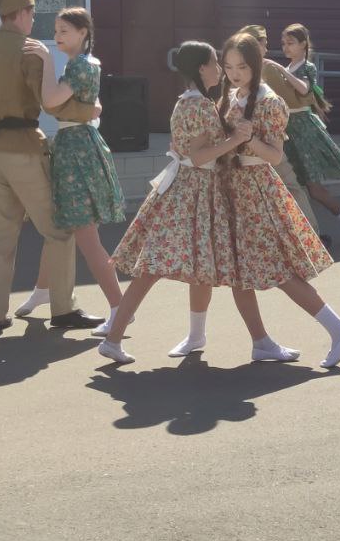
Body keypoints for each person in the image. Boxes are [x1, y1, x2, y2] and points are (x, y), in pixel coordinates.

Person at [98, 41, 298, 366]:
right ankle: (114, 338)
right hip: (193, 190)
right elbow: (199, 156)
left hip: (182, 188)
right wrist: (236, 139)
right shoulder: (202, 105)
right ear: (202, 68)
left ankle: (190, 336)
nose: (221, 70)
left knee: (195, 268)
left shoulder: (186, 101)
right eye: (216, 64)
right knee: (153, 268)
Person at [196, 34, 340, 369]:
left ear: (256, 65)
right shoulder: (230, 96)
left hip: (256, 192)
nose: (234, 73)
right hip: (232, 191)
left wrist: (246, 139)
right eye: (229, 66)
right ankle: (261, 343)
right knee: (237, 272)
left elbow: (274, 155)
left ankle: (338, 328)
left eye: (242, 67)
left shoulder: (269, 101)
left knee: (279, 269)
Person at [0, 0, 104, 334]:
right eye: (32, 13)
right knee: (59, 230)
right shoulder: (29, 50)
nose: (34, 21)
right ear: (24, 13)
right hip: (24, 149)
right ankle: (63, 309)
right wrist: (89, 110)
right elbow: (51, 103)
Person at [15, 8, 127, 334]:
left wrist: (46, 61)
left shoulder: (79, 65)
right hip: (75, 147)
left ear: (83, 32)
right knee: (61, 228)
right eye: (56, 30)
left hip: (78, 151)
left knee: (85, 237)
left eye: (64, 30)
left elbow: (51, 101)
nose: (57, 36)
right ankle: (43, 290)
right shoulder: (83, 63)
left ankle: (120, 308)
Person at [236, 26, 324, 239]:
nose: (267, 49)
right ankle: (312, 237)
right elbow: (290, 99)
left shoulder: (236, 68)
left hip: (245, 144)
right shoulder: (265, 68)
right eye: (264, 44)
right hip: (267, 140)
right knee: (292, 187)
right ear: (255, 45)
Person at [277, 24, 340, 244]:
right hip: (285, 129)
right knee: (292, 186)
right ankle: (305, 234)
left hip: (304, 131)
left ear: (303, 44)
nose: (285, 47)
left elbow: (304, 89)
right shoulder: (287, 67)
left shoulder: (307, 67)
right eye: (283, 43)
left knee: (314, 189)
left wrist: (281, 71)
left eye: (290, 43)